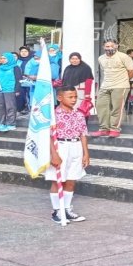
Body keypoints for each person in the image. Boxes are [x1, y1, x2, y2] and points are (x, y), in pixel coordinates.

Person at [46, 86, 90, 223]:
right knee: (58, 180)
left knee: (71, 179)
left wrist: (86, 153)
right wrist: (54, 154)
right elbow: (49, 137)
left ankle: (67, 209)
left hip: (75, 146)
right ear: (60, 98)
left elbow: (83, 134)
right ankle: (57, 211)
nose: (73, 100)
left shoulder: (79, 114)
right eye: (70, 97)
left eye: (75, 97)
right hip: (60, 146)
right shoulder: (53, 115)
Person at [92, 40, 133, 138]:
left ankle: (114, 129)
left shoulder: (124, 57)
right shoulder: (101, 58)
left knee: (117, 108)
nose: (109, 48)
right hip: (105, 85)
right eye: (107, 46)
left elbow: (132, 71)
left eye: (112, 46)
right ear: (104, 47)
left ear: (116, 46)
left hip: (120, 85)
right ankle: (104, 129)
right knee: (101, 106)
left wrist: (124, 81)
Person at [0, 53, 22, 132]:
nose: (2, 60)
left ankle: (11, 124)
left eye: (4, 58)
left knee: (10, 107)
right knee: (0, 107)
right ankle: (1, 123)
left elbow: (18, 80)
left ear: (9, 59)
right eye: (1, 58)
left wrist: (17, 90)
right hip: (0, 90)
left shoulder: (15, 68)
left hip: (10, 89)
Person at [16, 46, 33, 114]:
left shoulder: (32, 60)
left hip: (29, 80)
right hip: (19, 80)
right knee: (20, 95)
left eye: (25, 51)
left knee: (29, 94)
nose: (23, 53)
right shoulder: (18, 61)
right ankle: (20, 108)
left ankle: (29, 108)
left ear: (29, 52)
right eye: (22, 51)